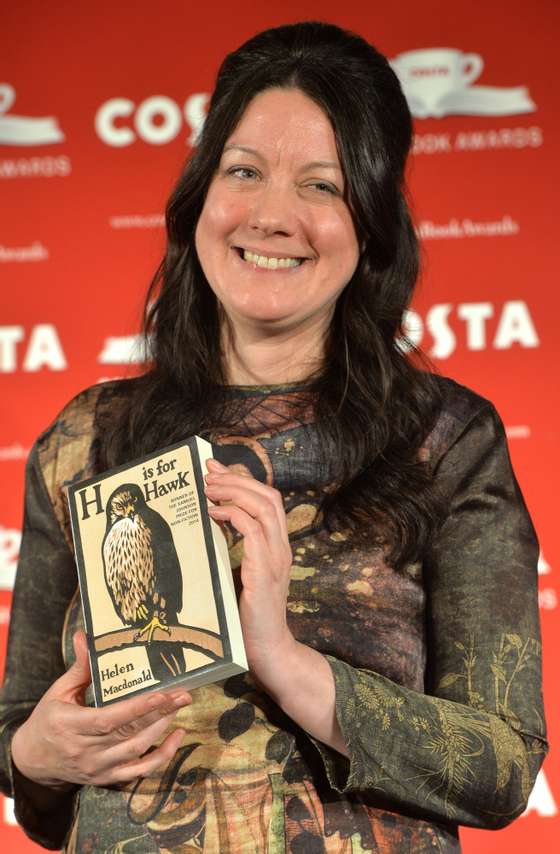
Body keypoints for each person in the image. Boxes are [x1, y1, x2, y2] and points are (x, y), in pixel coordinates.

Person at [0, 20, 547, 854]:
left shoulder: (445, 439)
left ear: (370, 223)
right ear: (199, 198)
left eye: (322, 186)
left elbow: (503, 766)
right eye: (244, 171)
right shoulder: (86, 440)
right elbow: (27, 759)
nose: (271, 215)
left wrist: (284, 661)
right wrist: (36, 752)